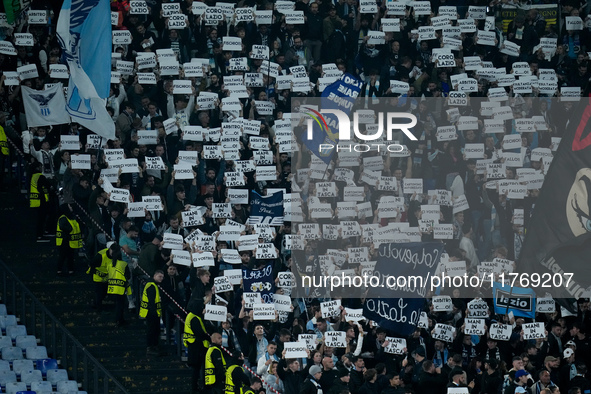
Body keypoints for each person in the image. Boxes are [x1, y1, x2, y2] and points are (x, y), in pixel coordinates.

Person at [184, 310, 211, 394]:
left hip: (194, 346)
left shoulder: (191, 316)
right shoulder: (195, 318)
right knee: (197, 369)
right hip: (196, 347)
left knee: (196, 369)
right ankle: (196, 388)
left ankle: (196, 387)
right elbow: (200, 333)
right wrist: (209, 338)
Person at [139, 269, 165, 356]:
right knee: (152, 330)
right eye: (159, 276)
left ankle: (153, 346)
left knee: (154, 330)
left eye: (162, 277)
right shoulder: (151, 285)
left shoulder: (152, 284)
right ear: (154, 275)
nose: (161, 278)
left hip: (152, 312)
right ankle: (150, 347)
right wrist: (154, 313)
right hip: (151, 313)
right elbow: (151, 301)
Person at [106, 244, 131, 327]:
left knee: (117, 304)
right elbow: (128, 276)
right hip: (121, 287)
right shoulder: (123, 264)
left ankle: (118, 319)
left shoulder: (109, 264)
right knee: (121, 305)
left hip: (112, 287)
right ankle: (119, 320)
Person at [88, 242, 118, 310]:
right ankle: (99, 308)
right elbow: (91, 265)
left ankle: (95, 303)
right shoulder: (100, 256)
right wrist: (96, 273)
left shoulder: (116, 255)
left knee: (104, 292)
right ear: (109, 249)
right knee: (99, 292)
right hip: (98, 277)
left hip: (107, 277)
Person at [55, 203, 83, 275]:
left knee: (70, 256)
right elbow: (64, 227)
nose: (71, 207)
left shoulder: (71, 217)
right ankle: (60, 270)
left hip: (70, 241)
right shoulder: (63, 218)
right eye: (69, 206)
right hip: (64, 241)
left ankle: (70, 270)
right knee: (63, 255)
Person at [30, 162, 51, 242]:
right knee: (41, 219)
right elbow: (46, 186)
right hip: (41, 201)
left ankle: (40, 234)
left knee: (39, 218)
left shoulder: (33, 176)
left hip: (35, 200)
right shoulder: (40, 176)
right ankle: (40, 235)